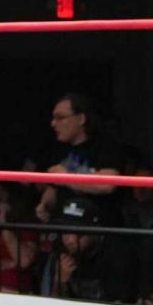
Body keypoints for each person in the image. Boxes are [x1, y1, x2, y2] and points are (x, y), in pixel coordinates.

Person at [38, 196, 153, 305]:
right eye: (65, 231)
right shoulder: (61, 253)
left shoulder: (117, 255)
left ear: (93, 231)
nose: (70, 240)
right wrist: (60, 282)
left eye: (78, 232)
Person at [35, 91, 120, 222]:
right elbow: (54, 188)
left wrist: (67, 178)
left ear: (81, 119)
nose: (53, 123)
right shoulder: (59, 149)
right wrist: (44, 205)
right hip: (63, 224)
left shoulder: (105, 145)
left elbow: (107, 184)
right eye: (53, 118)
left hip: (96, 225)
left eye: (60, 118)